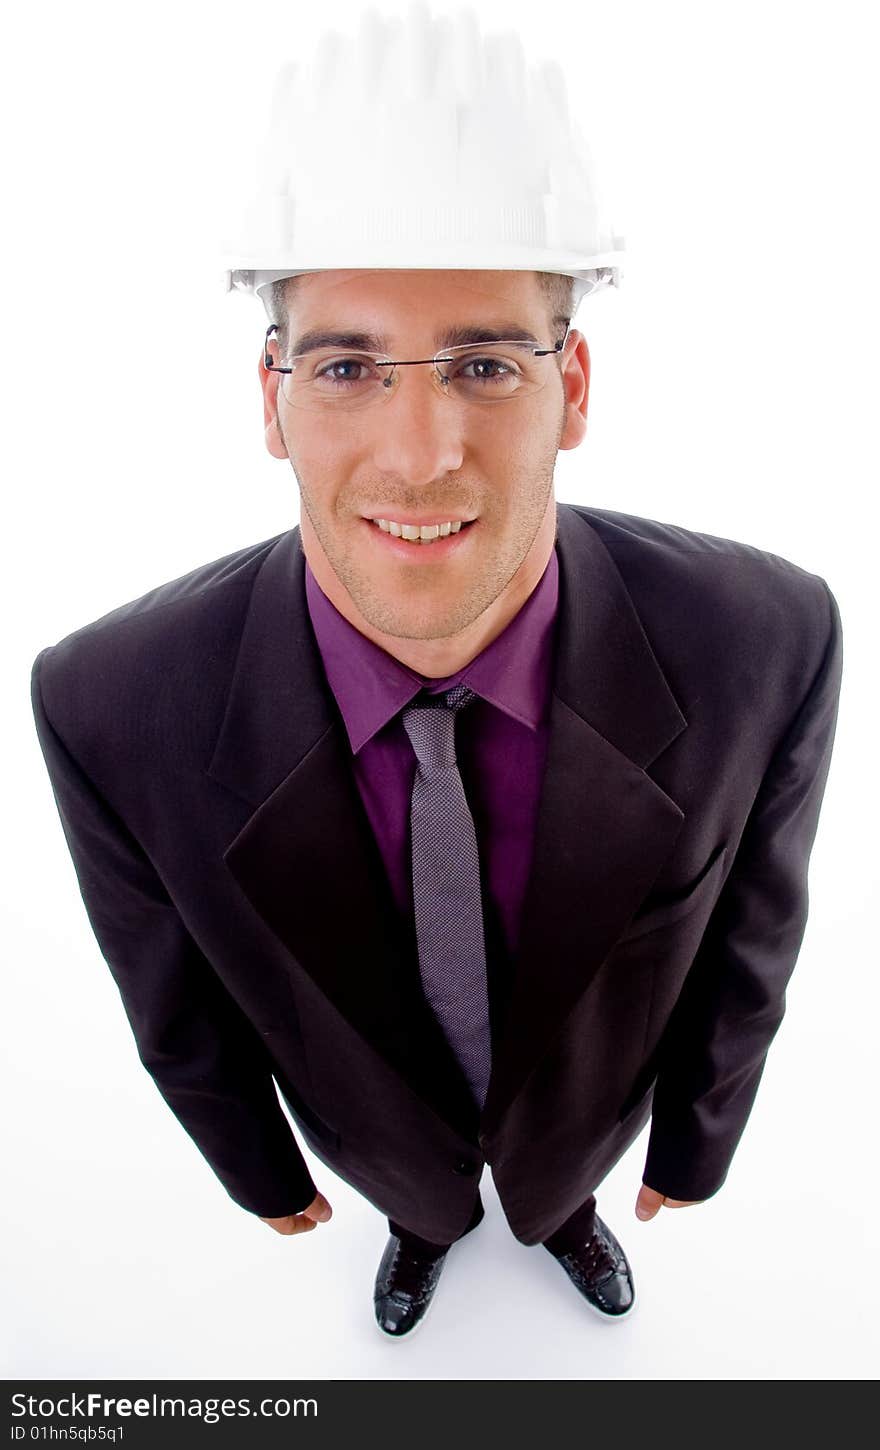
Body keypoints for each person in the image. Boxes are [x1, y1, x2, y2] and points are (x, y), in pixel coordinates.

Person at [29, 9, 843, 1339]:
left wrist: (696, 1146)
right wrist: (263, 1175)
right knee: (427, 1194)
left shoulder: (766, 638)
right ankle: (426, 1228)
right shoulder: (111, 704)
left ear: (573, 385)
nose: (421, 454)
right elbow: (170, 1001)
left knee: (548, 1186)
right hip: (376, 1136)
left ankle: (554, 1216)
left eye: (484, 361)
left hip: (585, 1120)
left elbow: (754, 937)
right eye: (348, 364)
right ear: (271, 395)